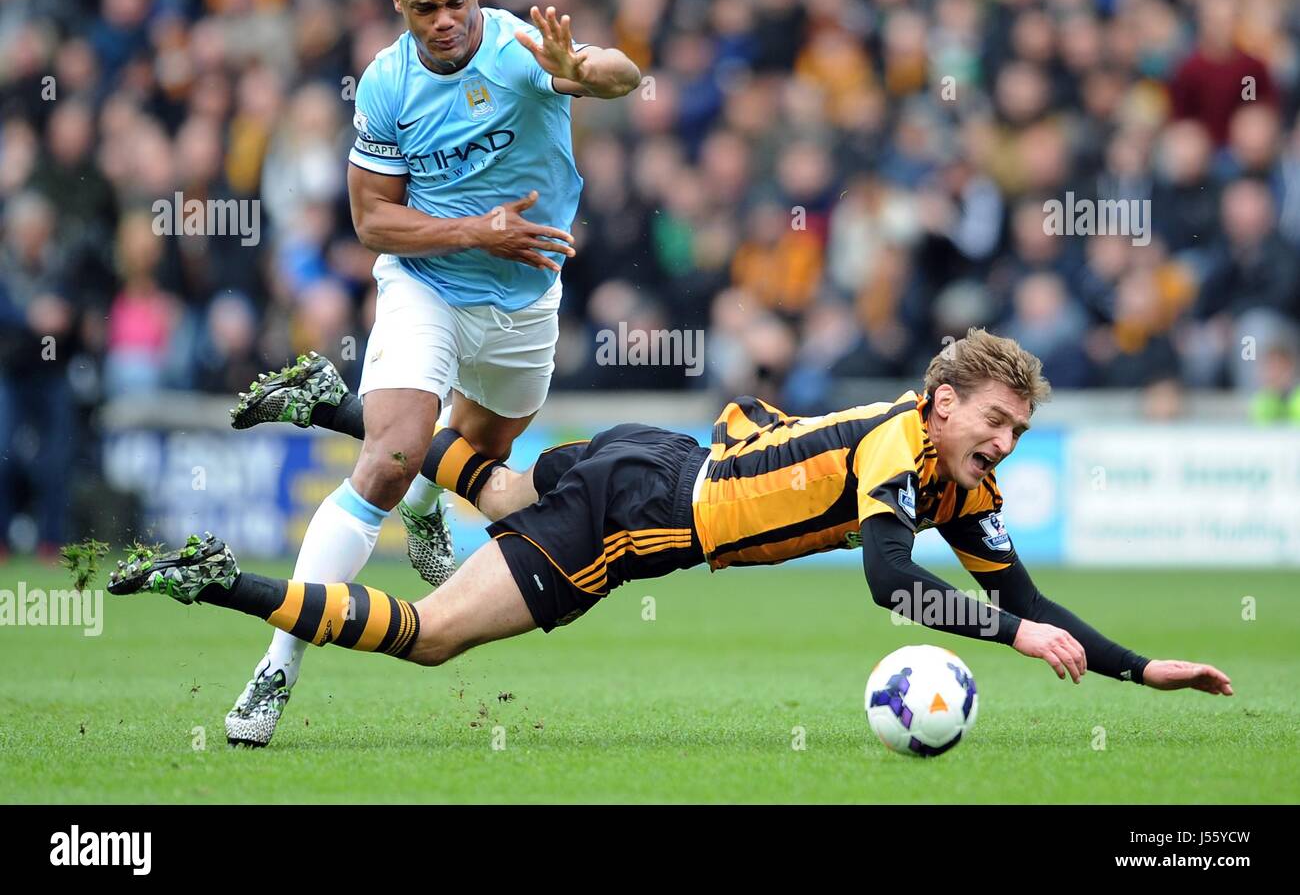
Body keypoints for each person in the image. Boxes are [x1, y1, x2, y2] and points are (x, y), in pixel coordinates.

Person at [109, 329, 1232, 739]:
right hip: (647, 515)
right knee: (431, 634)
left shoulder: (957, 485)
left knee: (503, 500)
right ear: (942, 403)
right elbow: (893, 587)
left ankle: (330, 399)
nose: (1006, 444)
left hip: (656, 456)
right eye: (995, 422)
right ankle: (218, 584)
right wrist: (1012, 639)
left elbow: (1024, 588)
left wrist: (1142, 669)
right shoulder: (900, 449)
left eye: (1019, 431)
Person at [221, 0, 640, 746]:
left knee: (475, 454)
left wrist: (582, 70)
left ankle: (424, 510)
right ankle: (278, 664)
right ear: (397, 4)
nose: (444, 20)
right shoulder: (383, 84)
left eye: (456, 2)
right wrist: (476, 231)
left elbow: (627, 75)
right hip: (429, 289)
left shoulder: (525, 47)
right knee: (390, 454)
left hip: (525, 304)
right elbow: (372, 218)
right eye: (425, 8)